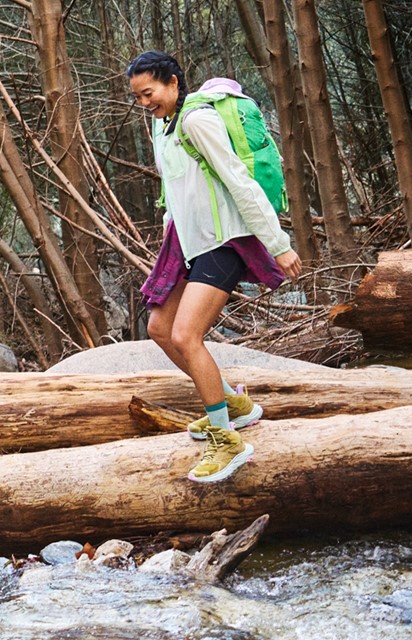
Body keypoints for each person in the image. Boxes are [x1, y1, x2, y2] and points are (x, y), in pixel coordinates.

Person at [125, 51, 302, 483]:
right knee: (159, 328)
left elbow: (239, 181)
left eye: (149, 93)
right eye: (138, 97)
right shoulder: (163, 125)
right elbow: (174, 189)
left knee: (186, 335)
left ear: (172, 82)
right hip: (189, 242)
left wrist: (278, 244)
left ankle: (227, 441)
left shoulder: (196, 120)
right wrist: (171, 242)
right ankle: (233, 405)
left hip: (225, 242)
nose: (145, 103)